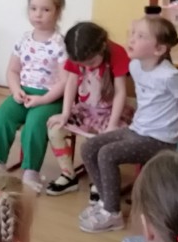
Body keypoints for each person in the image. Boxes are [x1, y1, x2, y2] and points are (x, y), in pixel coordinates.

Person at [78, 16, 178, 233]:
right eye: (133, 33)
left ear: (159, 49)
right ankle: (106, 201)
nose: (132, 39)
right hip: (137, 130)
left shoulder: (170, 76)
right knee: (89, 147)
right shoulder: (135, 66)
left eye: (140, 36)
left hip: (160, 140)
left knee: (107, 154)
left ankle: (113, 214)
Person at [0, 0, 67, 192]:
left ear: (58, 12)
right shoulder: (23, 39)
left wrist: (43, 99)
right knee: (0, 119)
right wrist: (16, 90)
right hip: (23, 93)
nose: (38, 14)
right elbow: (12, 70)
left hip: (50, 97)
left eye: (46, 9)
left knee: (34, 124)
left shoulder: (60, 44)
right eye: (33, 8)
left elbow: (64, 81)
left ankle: (31, 171)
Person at [44, 22, 131, 197]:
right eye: (83, 64)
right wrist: (65, 113)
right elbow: (71, 82)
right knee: (55, 128)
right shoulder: (77, 52)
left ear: (102, 46)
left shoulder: (117, 52)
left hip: (111, 113)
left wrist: (112, 125)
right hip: (86, 110)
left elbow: (120, 91)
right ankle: (68, 175)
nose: (88, 67)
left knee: (102, 140)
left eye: (91, 62)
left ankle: (100, 179)